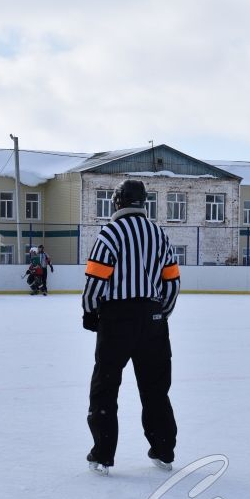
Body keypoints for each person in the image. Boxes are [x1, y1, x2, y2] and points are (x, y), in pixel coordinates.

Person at [82, 179, 181, 476]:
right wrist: (160, 313)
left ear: (118, 201)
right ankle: (164, 451)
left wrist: (90, 311)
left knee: (105, 387)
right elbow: (172, 281)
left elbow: (95, 279)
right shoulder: (159, 234)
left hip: (117, 319)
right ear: (143, 202)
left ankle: (102, 455)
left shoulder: (110, 233)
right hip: (152, 319)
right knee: (155, 389)